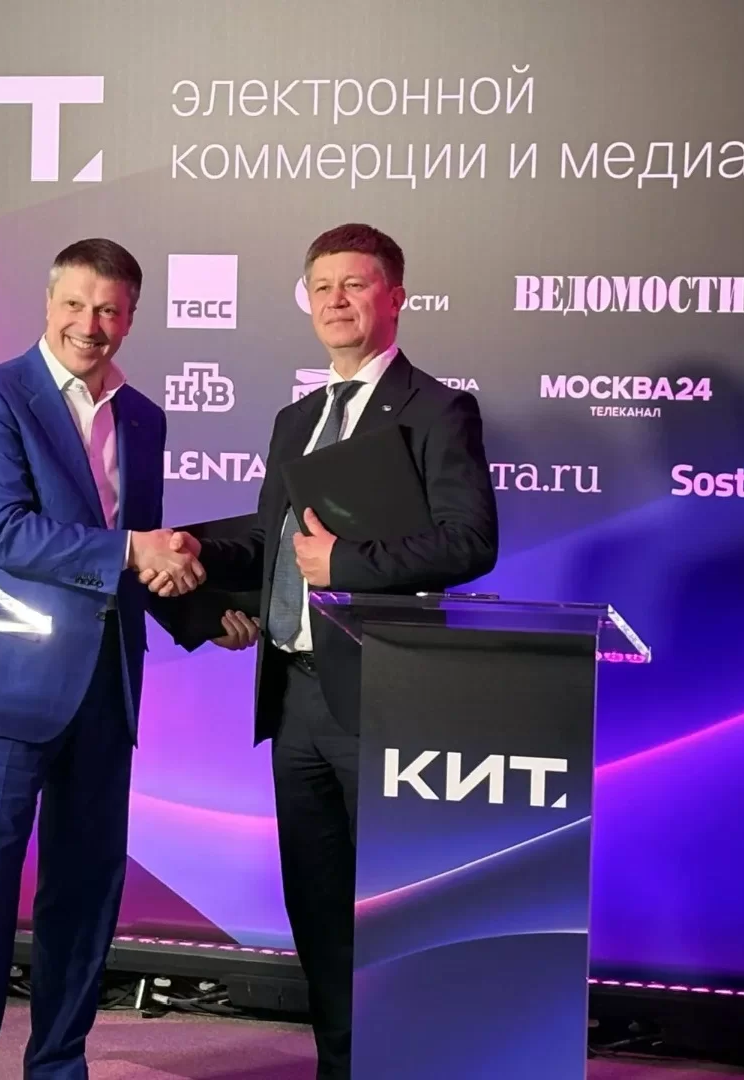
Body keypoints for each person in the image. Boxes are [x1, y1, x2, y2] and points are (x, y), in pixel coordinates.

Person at [176, 223, 498, 1079]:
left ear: (395, 297)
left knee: (390, 902)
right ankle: (339, 1066)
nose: (336, 301)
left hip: (384, 693)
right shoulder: (297, 419)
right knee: (316, 907)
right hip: (294, 698)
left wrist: (345, 564)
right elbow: (272, 540)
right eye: (322, 287)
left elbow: (470, 540)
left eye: (355, 284)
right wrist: (195, 559)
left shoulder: (437, 409)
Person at [0, 238, 202, 1079]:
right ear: (48, 304)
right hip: (6, 687)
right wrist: (135, 551)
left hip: (106, 687)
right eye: (77, 305)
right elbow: (2, 531)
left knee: (86, 896)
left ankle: (59, 1066)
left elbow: (141, 555)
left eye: (111, 310)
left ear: (132, 317)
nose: (92, 324)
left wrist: (209, 612)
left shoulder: (144, 416)